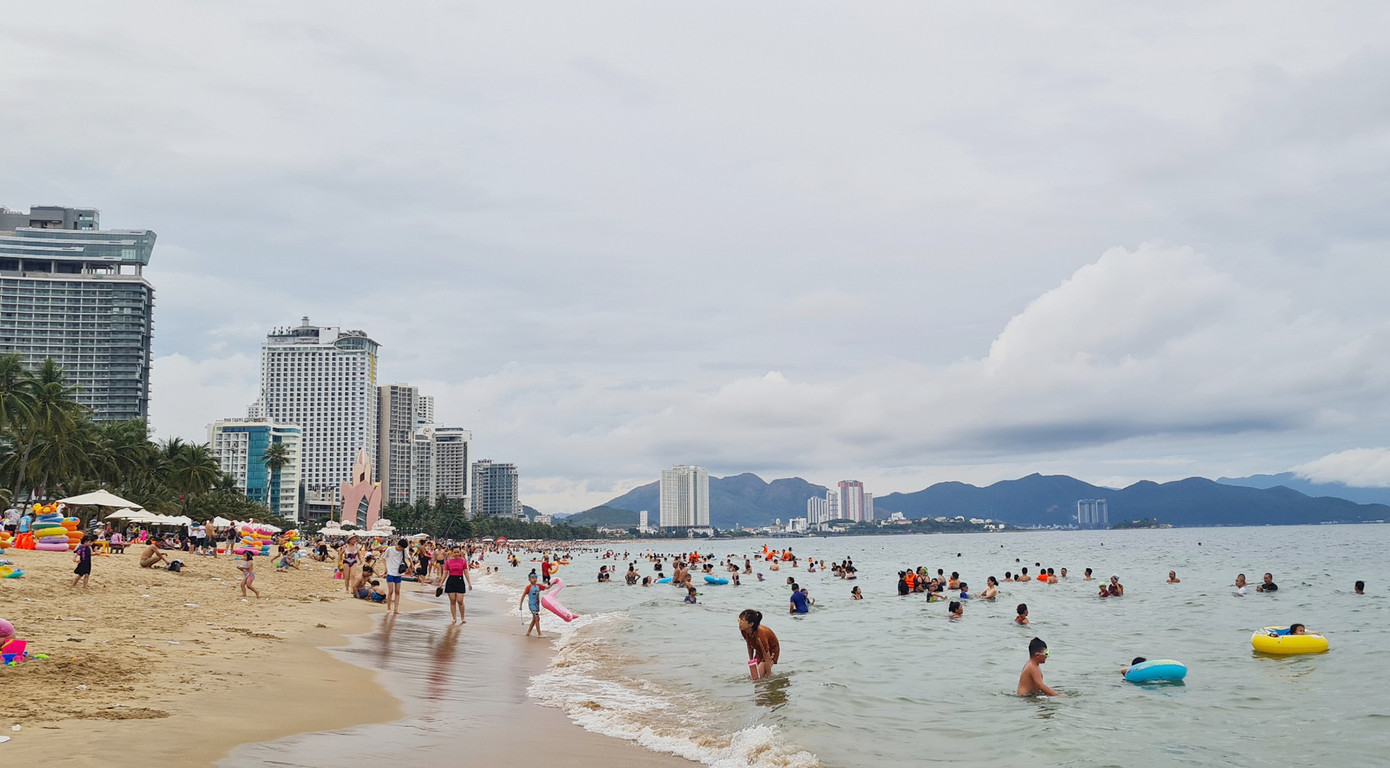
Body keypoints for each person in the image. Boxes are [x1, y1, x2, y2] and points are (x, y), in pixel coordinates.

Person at [738, 609, 780, 680]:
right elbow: (749, 645)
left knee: (758, 678)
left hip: (771, 650)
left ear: (751, 624)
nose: (739, 623)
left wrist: (768, 676)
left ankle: (768, 681)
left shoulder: (760, 636)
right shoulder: (744, 630)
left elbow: (767, 657)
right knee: (754, 676)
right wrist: (752, 662)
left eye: (741, 621)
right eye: (739, 620)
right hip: (759, 650)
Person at [384, 538, 408, 615]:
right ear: (398, 545)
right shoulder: (390, 549)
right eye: (401, 548)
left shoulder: (404, 551)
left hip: (398, 573)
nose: (401, 550)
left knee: (397, 591)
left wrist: (412, 566)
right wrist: (386, 568)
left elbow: (409, 558)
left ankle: (396, 609)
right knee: (390, 591)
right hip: (390, 572)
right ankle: (388, 608)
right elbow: (383, 558)